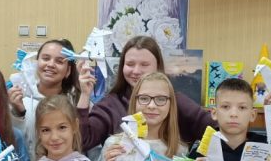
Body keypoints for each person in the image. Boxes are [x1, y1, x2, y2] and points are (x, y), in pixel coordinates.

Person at [79, 35, 213, 153]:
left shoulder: (176, 101)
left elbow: (215, 130)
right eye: (130, 64)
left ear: (158, 66)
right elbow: (82, 141)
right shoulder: (110, 105)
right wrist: (84, 95)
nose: (136, 71)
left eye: (144, 64)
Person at [9, 39, 85, 161]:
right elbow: (15, 142)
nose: (51, 64)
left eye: (59, 61)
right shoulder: (20, 98)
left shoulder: (78, 101)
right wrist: (19, 113)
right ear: (36, 63)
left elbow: (87, 144)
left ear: (68, 71)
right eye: (45, 58)